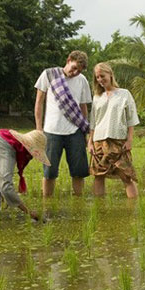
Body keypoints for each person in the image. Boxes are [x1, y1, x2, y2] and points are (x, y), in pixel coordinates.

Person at [34, 50, 92, 197]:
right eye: (74, 68)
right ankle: (47, 203)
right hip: (52, 131)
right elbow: (39, 103)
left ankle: (79, 202)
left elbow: (83, 107)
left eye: (78, 71)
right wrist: (39, 129)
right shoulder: (49, 74)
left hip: (75, 132)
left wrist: (85, 131)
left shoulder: (82, 80)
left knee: (79, 172)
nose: (75, 73)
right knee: (49, 172)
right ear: (68, 60)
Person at [87, 62, 140, 198]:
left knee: (126, 176)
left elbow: (131, 119)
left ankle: (134, 207)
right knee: (98, 176)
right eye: (97, 77)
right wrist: (90, 142)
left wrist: (129, 139)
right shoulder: (97, 97)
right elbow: (93, 121)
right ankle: (100, 210)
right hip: (99, 140)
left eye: (102, 76)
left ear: (110, 74)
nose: (100, 80)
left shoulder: (124, 94)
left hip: (118, 140)